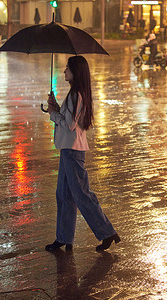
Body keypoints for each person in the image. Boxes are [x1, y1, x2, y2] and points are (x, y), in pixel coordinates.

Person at [45, 56, 120, 252]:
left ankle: (107, 231)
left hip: (73, 150)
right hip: (67, 149)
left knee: (81, 194)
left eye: (67, 68)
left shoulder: (76, 94)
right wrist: (55, 108)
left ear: (75, 72)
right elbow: (70, 118)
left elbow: (69, 125)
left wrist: (53, 114)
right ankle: (63, 237)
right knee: (63, 194)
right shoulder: (74, 94)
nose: (64, 72)